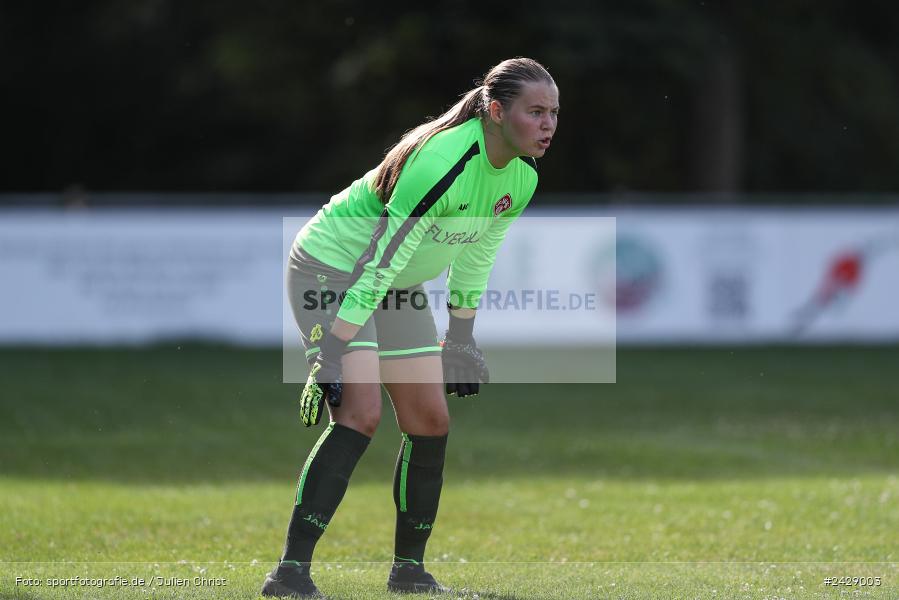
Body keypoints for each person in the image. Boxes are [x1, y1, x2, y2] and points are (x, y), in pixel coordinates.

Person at [262, 57, 559, 598]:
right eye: (534, 111)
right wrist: (330, 351)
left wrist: (462, 338)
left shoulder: (521, 177)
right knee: (360, 413)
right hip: (332, 267)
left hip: (392, 282)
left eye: (554, 113)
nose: (548, 125)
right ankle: (289, 574)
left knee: (430, 419)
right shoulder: (442, 159)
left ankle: (408, 572)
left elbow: (477, 255)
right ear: (496, 111)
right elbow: (378, 262)